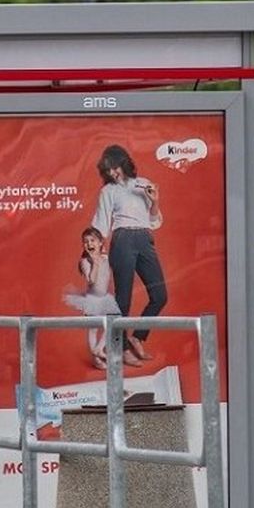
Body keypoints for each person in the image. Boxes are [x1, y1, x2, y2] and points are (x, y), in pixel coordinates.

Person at [89, 144, 167, 365]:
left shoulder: (143, 184)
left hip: (144, 238)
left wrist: (155, 200)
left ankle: (137, 337)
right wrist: (94, 254)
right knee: (123, 300)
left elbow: (153, 220)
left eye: (114, 167)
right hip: (122, 240)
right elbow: (102, 224)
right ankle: (121, 349)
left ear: (123, 162)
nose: (112, 173)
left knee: (160, 295)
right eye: (108, 170)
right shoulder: (108, 191)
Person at [62, 227, 123, 370]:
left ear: (101, 242)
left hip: (105, 298)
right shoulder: (85, 262)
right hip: (92, 299)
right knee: (93, 328)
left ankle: (98, 349)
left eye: (92, 240)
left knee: (114, 322)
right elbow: (92, 281)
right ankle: (96, 358)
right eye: (86, 242)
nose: (89, 243)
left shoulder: (107, 258)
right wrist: (95, 262)